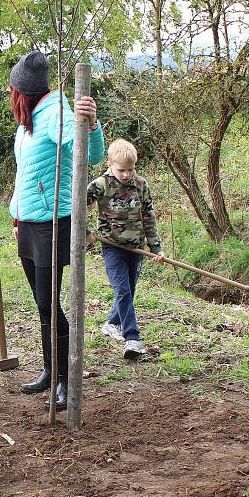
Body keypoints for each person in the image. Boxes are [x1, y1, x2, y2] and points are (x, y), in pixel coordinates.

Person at [7, 51, 106, 410]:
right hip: (30, 223)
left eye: (13, 89)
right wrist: (18, 219)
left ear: (23, 91)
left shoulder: (55, 112)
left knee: (50, 304)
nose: (10, 95)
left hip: (52, 223)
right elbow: (26, 176)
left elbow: (91, 154)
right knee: (41, 304)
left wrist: (91, 123)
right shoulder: (30, 119)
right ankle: (51, 370)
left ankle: (65, 380)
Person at [87, 138, 165, 358]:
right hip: (112, 247)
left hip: (136, 248)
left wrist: (156, 248)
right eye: (121, 170)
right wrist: (86, 233)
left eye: (130, 170)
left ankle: (112, 323)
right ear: (110, 164)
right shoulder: (101, 185)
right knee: (122, 290)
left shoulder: (140, 185)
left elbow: (149, 216)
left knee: (129, 291)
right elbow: (76, 205)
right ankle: (132, 338)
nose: (126, 174)